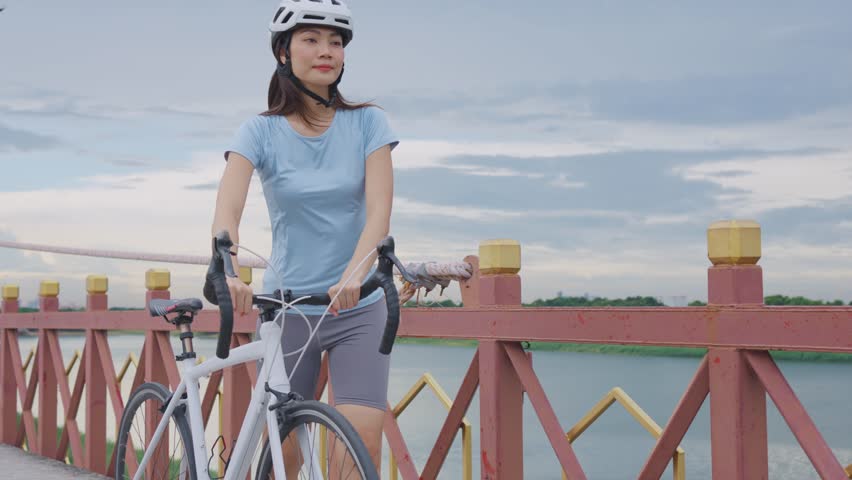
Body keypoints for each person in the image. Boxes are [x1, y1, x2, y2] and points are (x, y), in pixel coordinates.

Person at [211, 0, 398, 473]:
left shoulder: (369, 123)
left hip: (357, 305)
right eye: (311, 40)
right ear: (283, 53)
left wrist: (356, 272)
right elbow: (228, 208)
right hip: (287, 307)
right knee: (286, 451)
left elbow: (379, 212)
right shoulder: (260, 131)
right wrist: (227, 268)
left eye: (335, 42)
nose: (326, 51)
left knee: (357, 448)